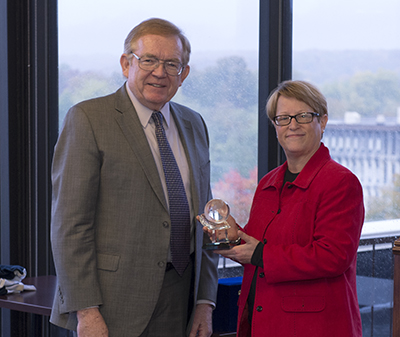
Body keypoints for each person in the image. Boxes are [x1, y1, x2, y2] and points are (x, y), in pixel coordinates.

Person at [50, 18, 219, 337]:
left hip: (182, 299)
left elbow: (205, 220)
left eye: (172, 63)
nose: (160, 72)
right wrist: (86, 311)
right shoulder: (88, 119)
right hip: (112, 306)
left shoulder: (195, 124)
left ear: (183, 74)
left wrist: (204, 302)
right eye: (149, 60)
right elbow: (70, 225)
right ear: (126, 63)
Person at [209, 80, 364, 336]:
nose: (292, 125)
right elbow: (261, 241)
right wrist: (231, 237)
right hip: (261, 320)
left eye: (303, 116)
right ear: (275, 126)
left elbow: (333, 256)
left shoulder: (340, 182)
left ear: (322, 122)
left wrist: (259, 254)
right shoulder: (268, 183)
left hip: (313, 327)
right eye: (283, 118)